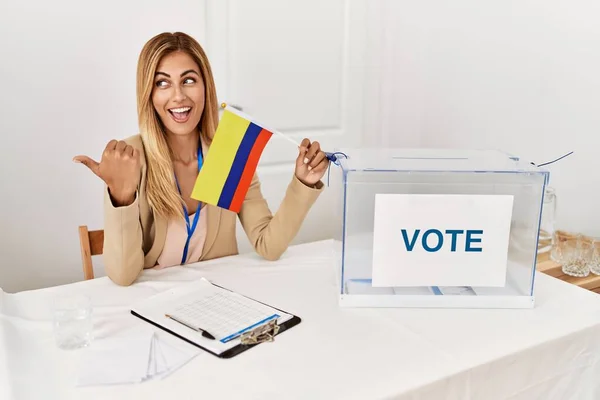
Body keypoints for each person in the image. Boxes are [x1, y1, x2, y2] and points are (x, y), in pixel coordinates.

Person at [73, 32, 329, 286]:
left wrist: (303, 183)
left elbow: (269, 245)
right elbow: (123, 276)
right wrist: (121, 195)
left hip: (217, 301)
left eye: (189, 80)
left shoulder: (228, 151)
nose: (178, 96)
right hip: (152, 306)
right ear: (148, 94)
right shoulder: (130, 157)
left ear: (206, 86)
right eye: (162, 83)